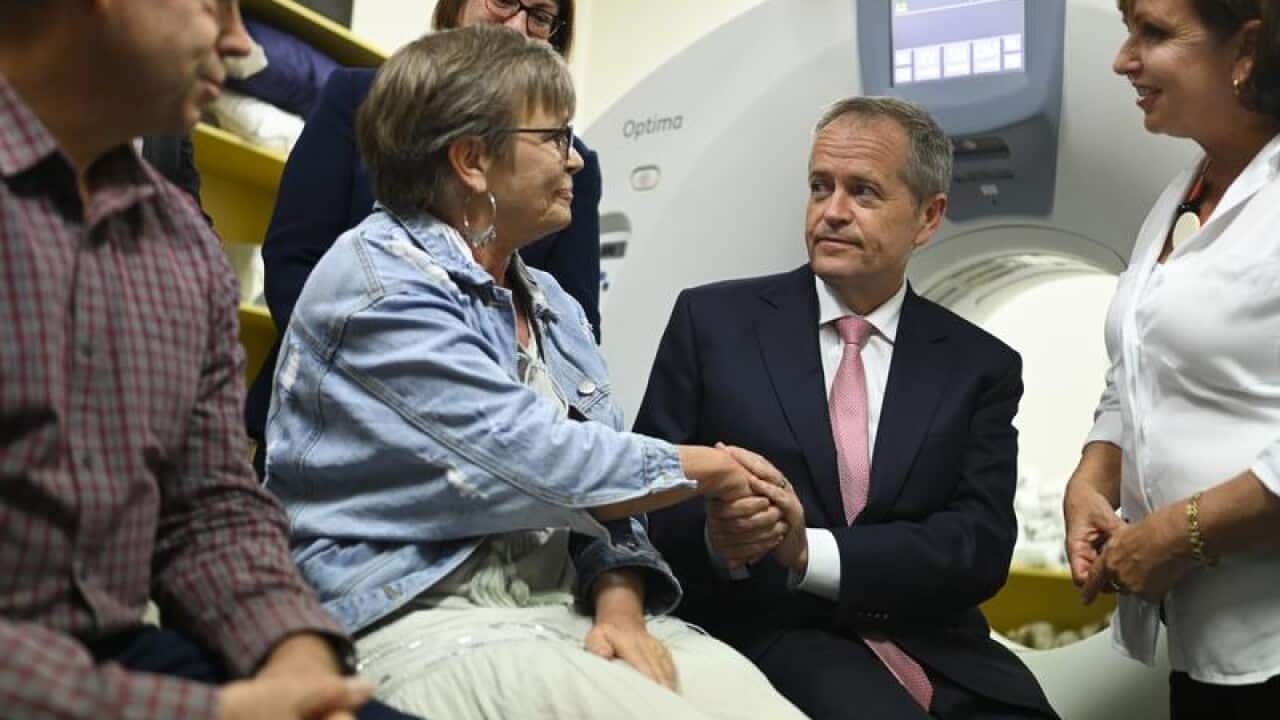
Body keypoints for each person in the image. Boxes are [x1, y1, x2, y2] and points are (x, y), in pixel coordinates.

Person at [265, 25, 805, 720]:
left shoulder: (556, 311)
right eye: (554, 138)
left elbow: (612, 514)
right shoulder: (375, 280)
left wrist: (620, 608)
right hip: (411, 614)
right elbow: (533, 457)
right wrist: (714, 468)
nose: (577, 160)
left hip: (559, 607)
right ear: (471, 160)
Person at [0, 1, 418, 719]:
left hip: (124, 653)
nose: (238, 41)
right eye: (213, 4)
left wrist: (296, 658)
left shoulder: (182, 247)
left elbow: (209, 504)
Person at [633, 96, 1058, 720]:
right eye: (819, 186)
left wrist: (811, 552)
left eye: (863, 192)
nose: (831, 212)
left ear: (927, 216)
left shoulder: (978, 366)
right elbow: (646, 499)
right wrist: (720, 535)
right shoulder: (715, 325)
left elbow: (978, 546)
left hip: (936, 644)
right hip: (773, 635)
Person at [243, 0, 602, 473]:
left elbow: (570, 332)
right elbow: (295, 260)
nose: (517, 25)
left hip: (481, 455)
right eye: (502, 0)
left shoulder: (567, 167)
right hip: (322, 424)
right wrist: (383, 394)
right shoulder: (358, 99)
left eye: (539, 14)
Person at [1062, 0, 1280, 715]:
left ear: (1245, 46)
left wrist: (1181, 532)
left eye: (1152, 33)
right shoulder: (1184, 192)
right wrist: (1095, 472)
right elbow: (1140, 369)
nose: (1123, 59)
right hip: (1204, 639)